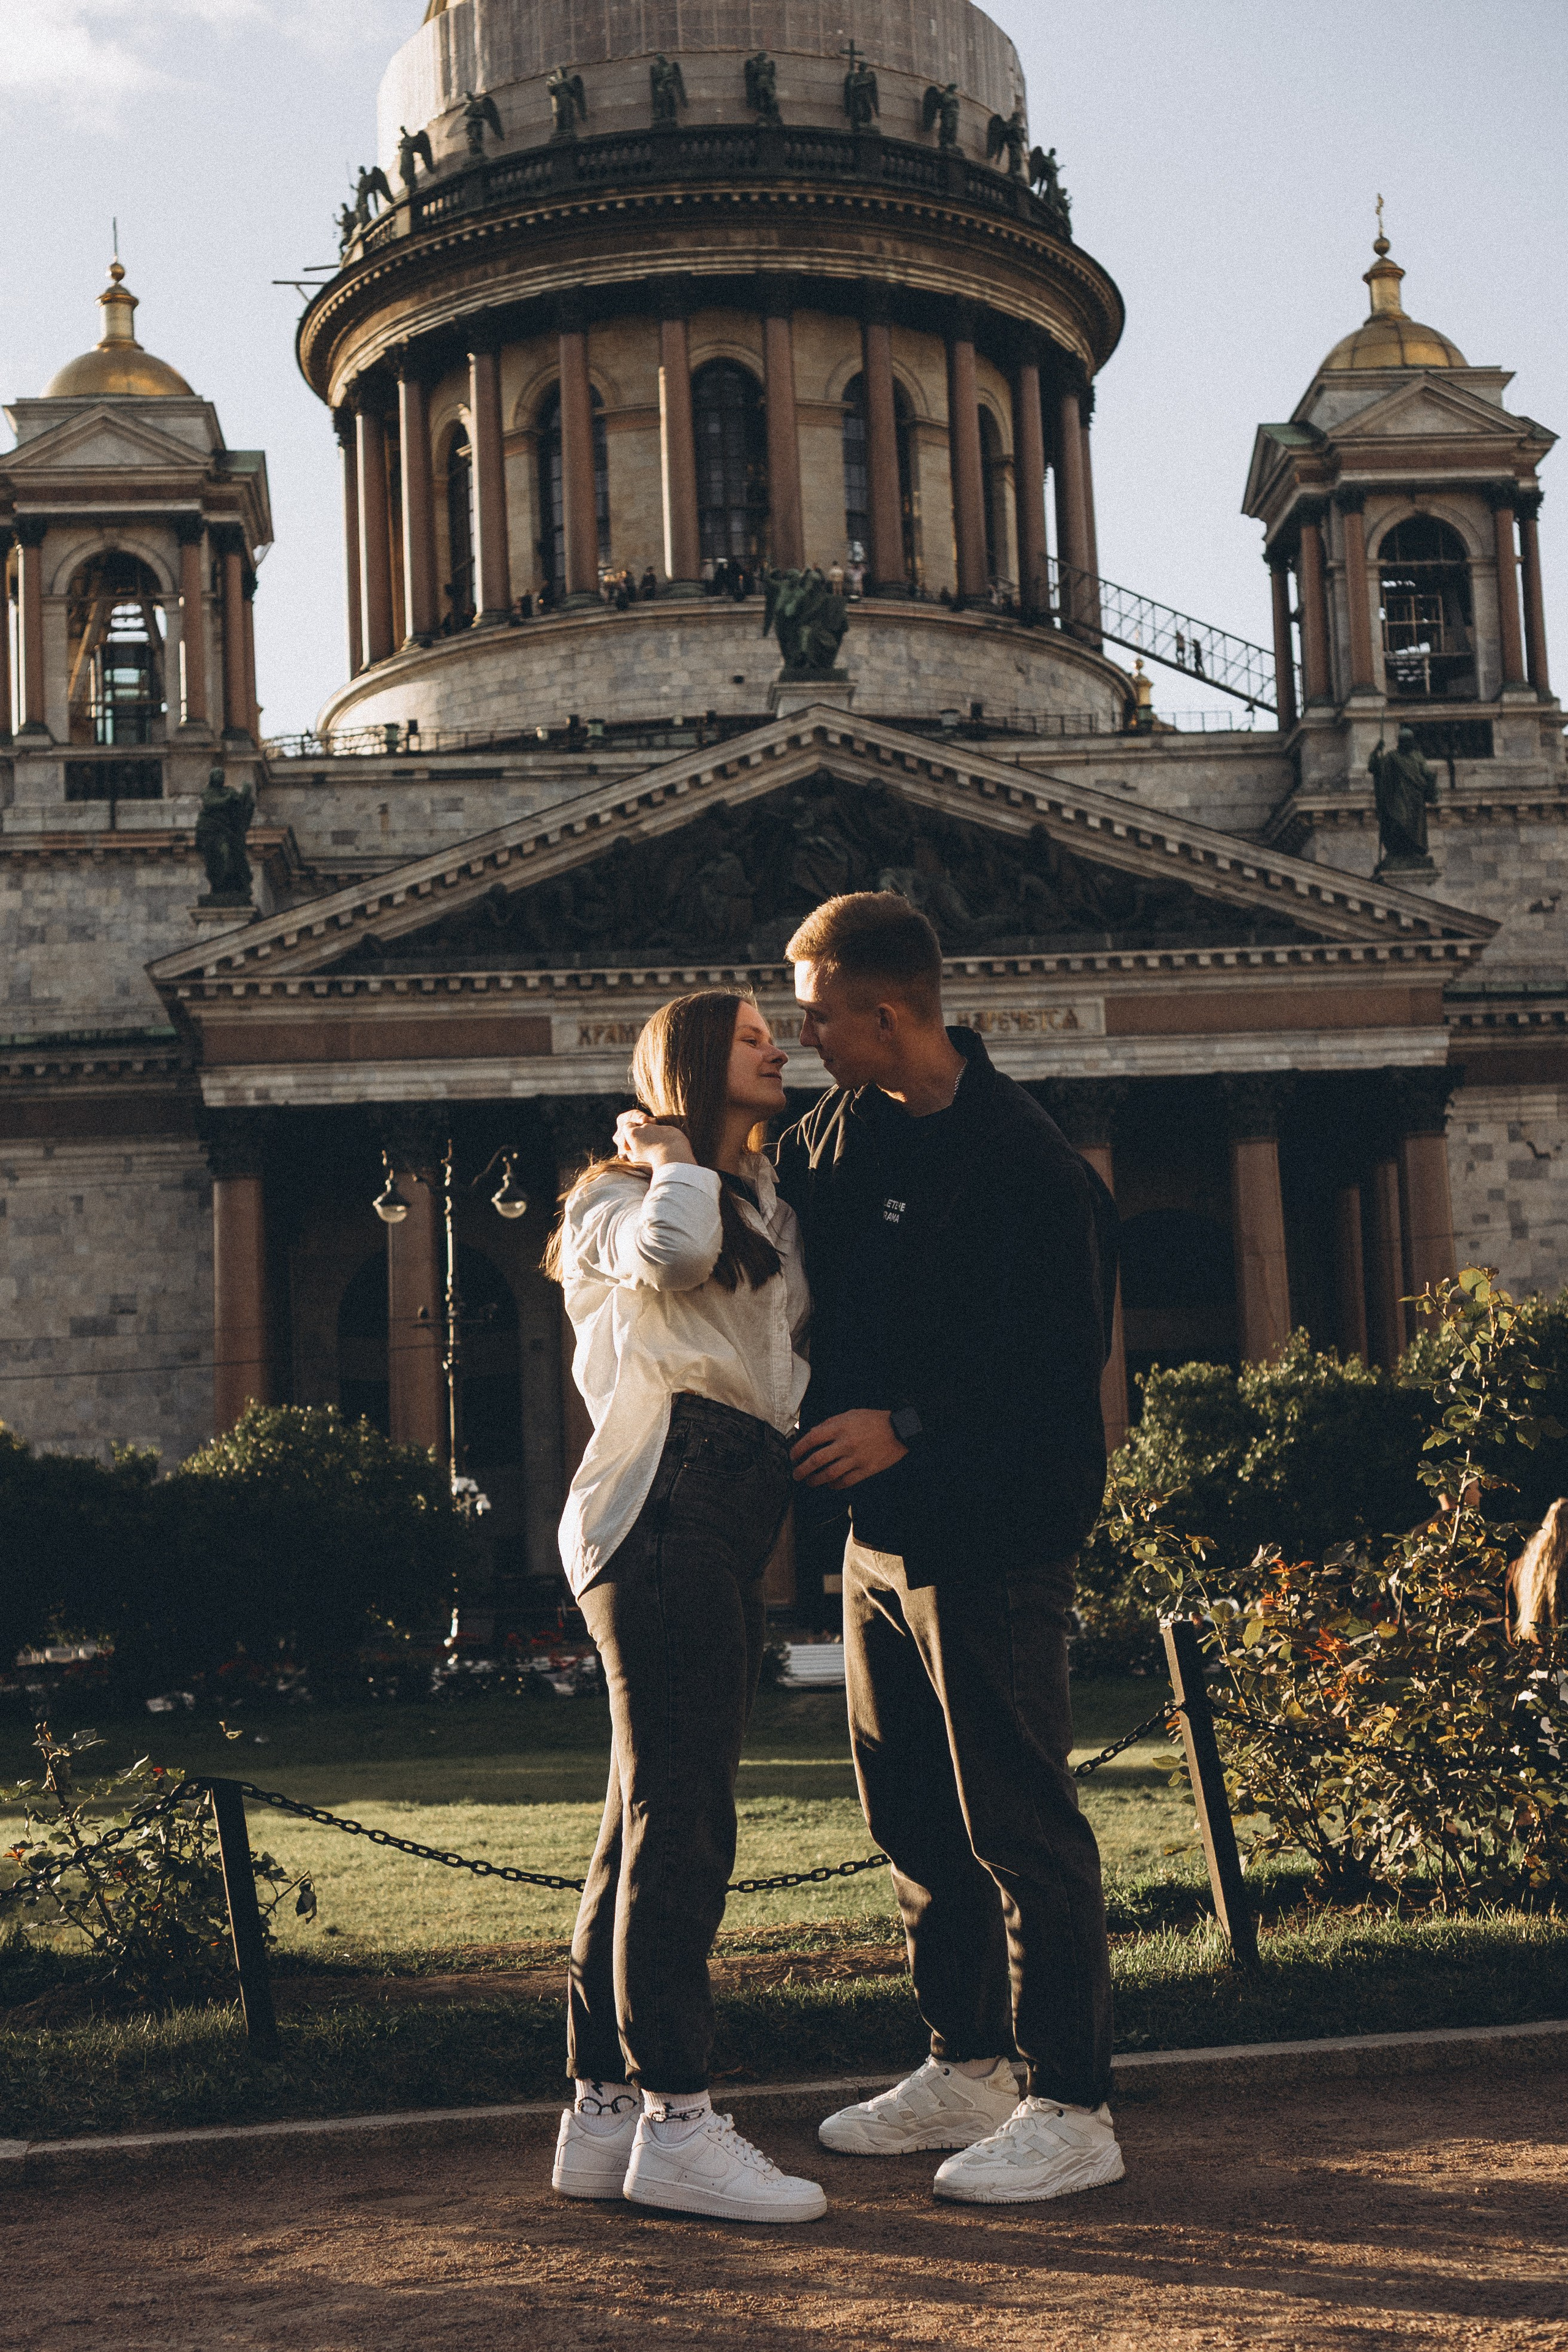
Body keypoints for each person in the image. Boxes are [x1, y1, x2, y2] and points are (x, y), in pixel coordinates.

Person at [774, 891, 1124, 2205]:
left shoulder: (1026, 1163)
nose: (801, 1036)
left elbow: (1055, 1370)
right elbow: (756, 1195)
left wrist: (905, 1427)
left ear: (885, 1014)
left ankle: (1072, 2105)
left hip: (995, 1530)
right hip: (879, 1540)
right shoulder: (841, 1129)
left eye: (816, 1015)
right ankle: (967, 2064)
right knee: (912, 1816)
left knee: (1020, 1824)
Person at [546, 990, 826, 2223]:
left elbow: (780, 1355)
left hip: (725, 1504)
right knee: (685, 1815)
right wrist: (670, 1154)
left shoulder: (765, 1201)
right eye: (756, 1036)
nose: (781, 1047)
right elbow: (671, 1258)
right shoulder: (617, 1198)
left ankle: (603, 2111)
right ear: (700, 1061)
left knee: (640, 1816)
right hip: (662, 1504)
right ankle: (678, 2117)